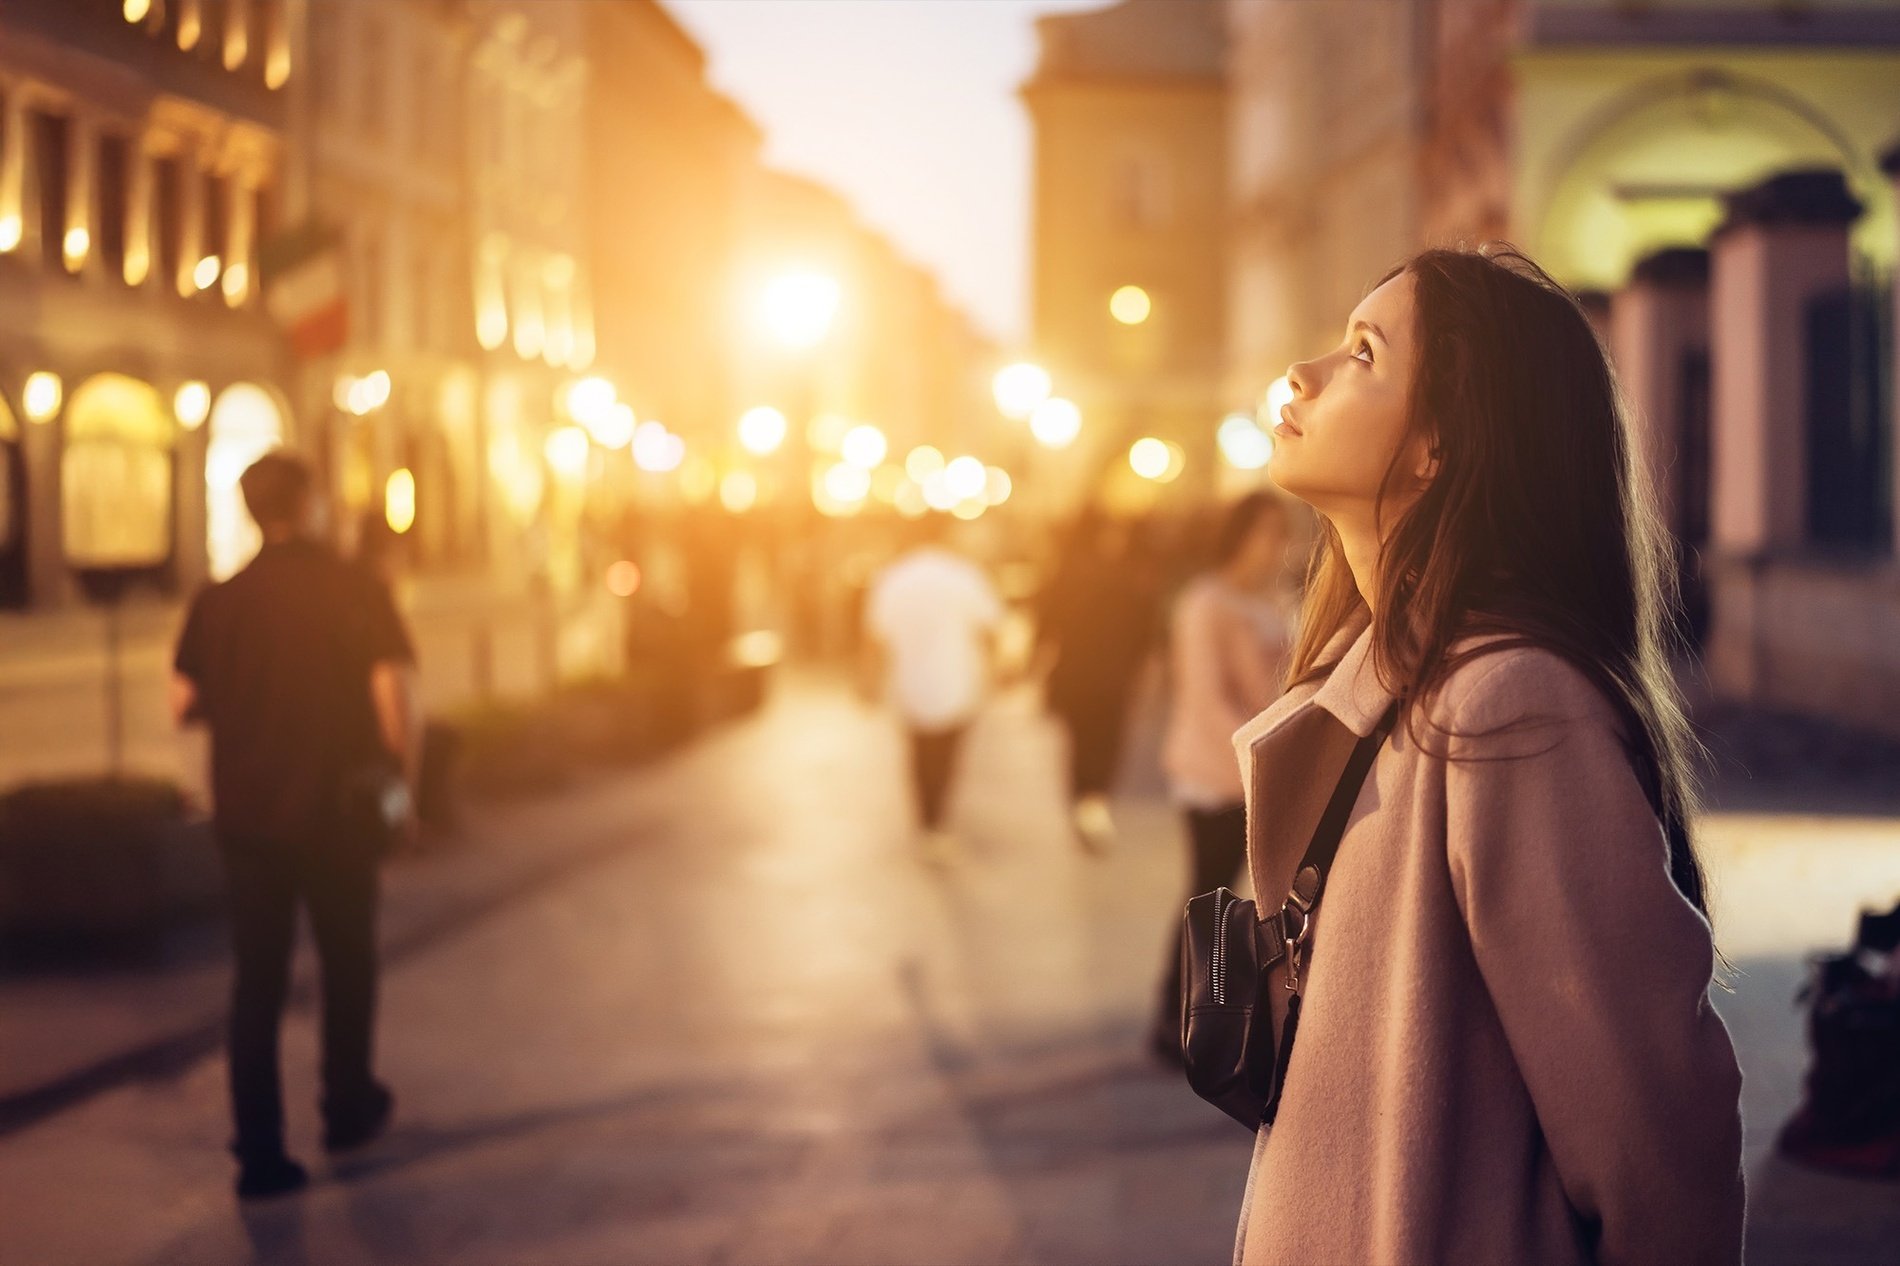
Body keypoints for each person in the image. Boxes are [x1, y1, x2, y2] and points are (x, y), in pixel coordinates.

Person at [1225, 245, 1744, 1264]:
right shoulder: (1373, 679)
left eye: (1363, 355)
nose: (1303, 375)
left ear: (1439, 445)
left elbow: (1658, 1132)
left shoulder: (1511, 707)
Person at [172, 452, 418, 1200]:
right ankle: (346, 1105)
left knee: (257, 983)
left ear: (251, 513)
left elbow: (181, 703)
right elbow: (392, 694)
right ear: (309, 503)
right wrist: (402, 791)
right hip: (339, 813)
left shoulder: (219, 600)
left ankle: (260, 1152)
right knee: (349, 963)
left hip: (249, 821)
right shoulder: (356, 587)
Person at [1151, 491, 1296, 1063]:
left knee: (1239, 898)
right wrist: (1260, 759)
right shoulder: (1205, 602)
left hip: (1261, 770)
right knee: (1207, 895)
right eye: (1266, 534)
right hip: (1215, 770)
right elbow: (1205, 697)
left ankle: (1215, 1013)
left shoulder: (1270, 600)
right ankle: (1174, 1017)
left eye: (1280, 534)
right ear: (1238, 535)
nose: (1276, 547)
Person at [861, 513, 1004, 866]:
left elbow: (874, 638)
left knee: (918, 751)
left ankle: (927, 818)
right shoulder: (964, 576)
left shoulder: (892, 577)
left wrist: (867, 680)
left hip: (909, 681)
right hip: (957, 679)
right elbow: (990, 628)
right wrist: (1000, 668)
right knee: (947, 752)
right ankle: (937, 821)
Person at [1032, 508, 1160, 854]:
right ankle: (1092, 803)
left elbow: (1045, 623)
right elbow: (1145, 630)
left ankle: (1085, 803)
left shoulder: (1068, 574)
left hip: (1084, 676)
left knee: (1085, 742)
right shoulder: (1129, 576)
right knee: (1103, 743)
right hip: (1107, 678)